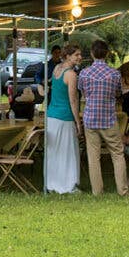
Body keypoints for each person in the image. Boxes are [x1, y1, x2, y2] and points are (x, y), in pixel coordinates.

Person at [78, 39, 129, 196]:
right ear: (106, 54)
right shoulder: (114, 74)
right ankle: (123, 190)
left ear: (92, 53)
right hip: (108, 118)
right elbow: (119, 93)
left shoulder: (84, 73)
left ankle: (97, 191)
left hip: (90, 119)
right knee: (117, 153)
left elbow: (83, 94)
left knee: (93, 156)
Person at [46, 43, 82, 194]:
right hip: (64, 117)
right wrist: (78, 122)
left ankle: (52, 182)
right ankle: (68, 184)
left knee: (54, 152)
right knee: (68, 152)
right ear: (68, 56)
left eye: (80, 55)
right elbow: (73, 101)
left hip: (51, 115)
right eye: (76, 55)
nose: (80, 57)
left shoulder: (56, 69)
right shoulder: (71, 74)